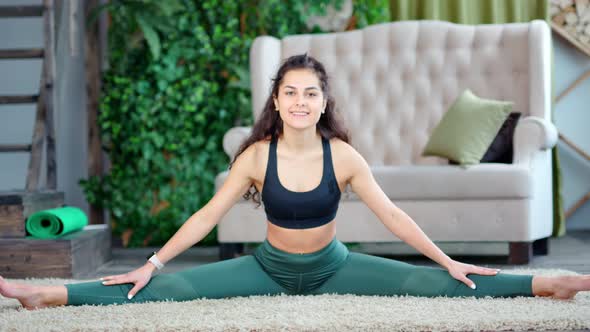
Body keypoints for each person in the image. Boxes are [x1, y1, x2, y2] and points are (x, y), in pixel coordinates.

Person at [1, 54, 589, 310]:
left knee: (437, 286)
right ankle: (42, 294)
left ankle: (553, 284)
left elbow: (392, 217)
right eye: (291, 93)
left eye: (312, 92)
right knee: (154, 292)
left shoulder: (345, 155)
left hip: (335, 264)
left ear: (323, 99)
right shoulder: (256, 155)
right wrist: (151, 261)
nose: (302, 101)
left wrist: (448, 260)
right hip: (267, 267)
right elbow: (209, 216)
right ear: (277, 102)